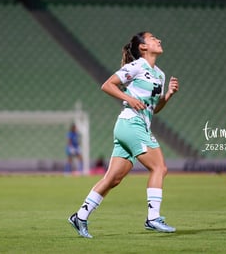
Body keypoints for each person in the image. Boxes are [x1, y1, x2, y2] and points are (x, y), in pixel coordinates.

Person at [68, 32, 179, 238]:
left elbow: (153, 109)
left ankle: (80, 217)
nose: (159, 40)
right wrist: (128, 97)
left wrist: (168, 96)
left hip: (136, 126)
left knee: (113, 179)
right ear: (143, 47)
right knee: (159, 167)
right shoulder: (136, 66)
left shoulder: (160, 75)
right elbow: (107, 85)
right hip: (131, 123)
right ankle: (153, 218)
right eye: (153, 38)